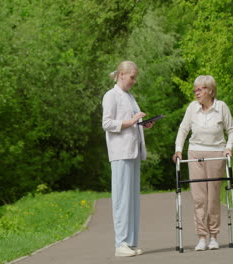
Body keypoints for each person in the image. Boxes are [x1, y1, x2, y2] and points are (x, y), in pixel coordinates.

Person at [172, 75, 233, 251]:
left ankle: (214, 236)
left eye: (200, 89)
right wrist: (178, 149)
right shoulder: (192, 108)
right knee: (199, 198)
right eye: (195, 89)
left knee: (213, 197)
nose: (196, 92)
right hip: (195, 153)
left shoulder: (221, 107)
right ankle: (201, 237)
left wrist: (229, 148)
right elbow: (183, 129)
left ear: (210, 90)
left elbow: (231, 130)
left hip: (216, 153)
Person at [102, 60, 154, 257]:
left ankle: (130, 242)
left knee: (132, 199)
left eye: (135, 77)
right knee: (122, 198)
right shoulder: (111, 96)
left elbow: (132, 122)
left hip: (133, 151)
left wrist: (142, 124)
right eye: (132, 77)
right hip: (120, 152)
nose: (134, 81)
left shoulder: (130, 97)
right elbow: (106, 123)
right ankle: (120, 243)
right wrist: (131, 121)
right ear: (121, 75)